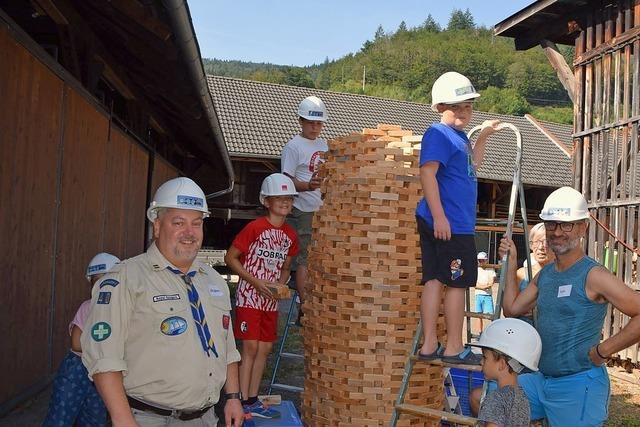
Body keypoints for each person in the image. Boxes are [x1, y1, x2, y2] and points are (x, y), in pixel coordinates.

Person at [81, 177, 244, 427]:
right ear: (157, 226)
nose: (189, 233)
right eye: (178, 223)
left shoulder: (214, 280)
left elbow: (228, 348)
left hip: (206, 419)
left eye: (196, 223)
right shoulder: (125, 279)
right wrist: (123, 419)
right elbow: (104, 357)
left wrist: (233, 397)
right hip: (148, 420)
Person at [472, 186, 640, 426]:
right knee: (486, 399)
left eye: (566, 225)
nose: (557, 232)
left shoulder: (593, 275)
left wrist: (603, 351)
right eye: (552, 224)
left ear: (583, 227)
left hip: (578, 384)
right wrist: (509, 265)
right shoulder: (547, 274)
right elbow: (512, 309)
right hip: (542, 380)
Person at [416, 71, 500, 365]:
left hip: (449, 221)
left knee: (436, 280)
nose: (464, 111)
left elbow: (473, 165)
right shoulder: (438, 134)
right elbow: (427, 172)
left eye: (468, 106)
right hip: (449, 223)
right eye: (457, 106)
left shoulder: (460, 138)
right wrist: (440, 217)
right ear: (440, 107)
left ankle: (428, 345)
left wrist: (484, 135)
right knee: (457, 283)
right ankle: (453, 347)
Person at [224, 173, 299, 422]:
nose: (285, 202)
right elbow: (230, 257)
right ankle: (241, 400)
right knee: (251, 346)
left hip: (270, 299)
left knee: (265, 348)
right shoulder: (254, 227)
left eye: (289, 198)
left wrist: (281, 283)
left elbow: (287, 265)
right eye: (279, 198)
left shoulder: (290, 234)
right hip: (249, 295)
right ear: (266, 201)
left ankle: (253, 399)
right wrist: (256, 282)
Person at [43, 252, 120, 427]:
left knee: (95, 417)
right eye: (98, 282)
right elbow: (76, 343)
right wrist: (105, 347)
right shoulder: (88, 307)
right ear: (91, 285)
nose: (103, 288)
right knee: (60, 416)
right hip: (77, 368)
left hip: (103, 370)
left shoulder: (122, 313)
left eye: (109, 282)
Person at [281, 95, 328, 315]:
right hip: (304, 210)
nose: (315, 127)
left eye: (319, 123)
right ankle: (305, 306)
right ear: (300, 121)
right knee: (305, 259)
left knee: (320, 257)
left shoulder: (324, 144)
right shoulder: (293, 146)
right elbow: (286, 181)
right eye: (311, 122)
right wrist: (308, 186)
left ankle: (317, 300)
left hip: (324, 209)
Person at [472, 318, 542, 427]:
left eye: (485, 357)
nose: (481, 362)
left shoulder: (496, 399)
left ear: (502, 364)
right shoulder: (521, 396)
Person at [515, 222, 555, 325]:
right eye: (536, 242)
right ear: (531, 245)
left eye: (547, 242)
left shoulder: (564, 274)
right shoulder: (521, 274)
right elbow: (509, 309)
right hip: (526, 332)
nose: (541, 247)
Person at [474, 251, 496, 332]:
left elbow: (491, 283)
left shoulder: (490, 269)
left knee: (491, 316)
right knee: (478, 315)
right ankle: (480, 332)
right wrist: (483, 287)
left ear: (486, 260)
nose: (481, 262)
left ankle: (493, 332)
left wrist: (480, 286)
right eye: (480, 260)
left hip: (487, 295)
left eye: (483, 260)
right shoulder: (476, 269)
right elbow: (474, 283)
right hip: (478, 295)